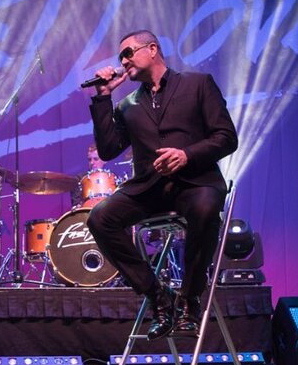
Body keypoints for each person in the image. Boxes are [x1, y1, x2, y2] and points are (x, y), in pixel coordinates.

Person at [85, 30, 238, 340]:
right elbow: (108, 149)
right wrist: (103, 98)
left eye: (128, 53)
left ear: (152, 49)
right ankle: (158, 296)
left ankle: (190, 299)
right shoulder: (127, 103)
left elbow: (226, 137)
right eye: (120, 57)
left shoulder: (197, 84)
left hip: (196, 182)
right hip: (150, 188)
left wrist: (186, 154)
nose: (123, 61)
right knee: (100, 218)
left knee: (206, 208)